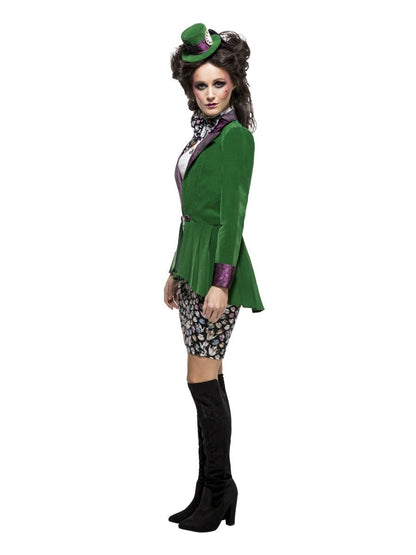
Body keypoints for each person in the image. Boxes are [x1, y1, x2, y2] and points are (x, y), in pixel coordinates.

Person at [163, 23, 265, 533]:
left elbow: (232, 217)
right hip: (192, 265)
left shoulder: (235, 138)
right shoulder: (201, 135)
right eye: (200, 85)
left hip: (216, 272)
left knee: (202, 382)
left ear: (234, 84)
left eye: (218, 84)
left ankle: (220, 488)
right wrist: (173, 269)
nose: (209, 93)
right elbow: (191, 212)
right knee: (204, 379)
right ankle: (209, 489)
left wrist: (221, 282)